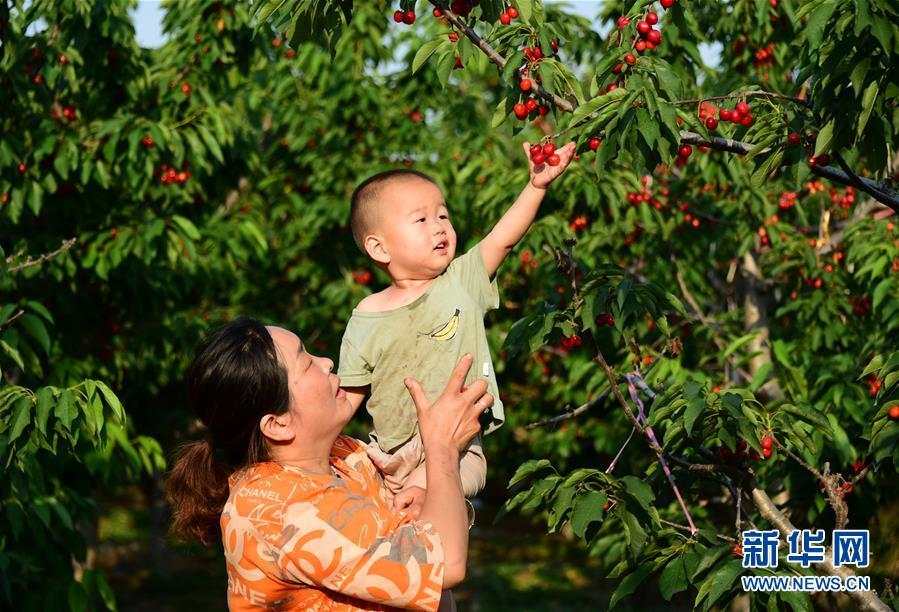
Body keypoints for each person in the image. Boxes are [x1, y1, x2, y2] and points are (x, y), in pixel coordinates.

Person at [166, 317, 493, 611]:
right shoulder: (277, 511)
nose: (325, 362)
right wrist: (442, 449)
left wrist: (423, 488)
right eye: (305, 363)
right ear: (278, 424)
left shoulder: (344, 455)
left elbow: (420, 524)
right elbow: (445, 564)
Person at [338, 141, 576, 515]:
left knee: (441, 484)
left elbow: (504, 239)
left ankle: (420, 497)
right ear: (379, 248)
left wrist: (537, 186)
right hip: (388, 454)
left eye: (443, 216)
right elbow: (348, 397)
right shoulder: (366, 315)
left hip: (459, 447)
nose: (439, 228)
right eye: (421, 220)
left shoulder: (460, 281)